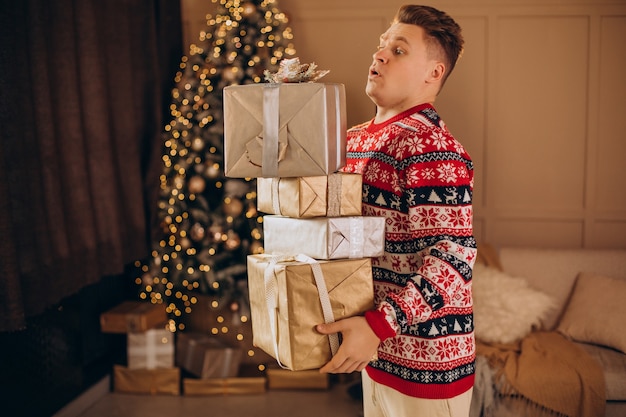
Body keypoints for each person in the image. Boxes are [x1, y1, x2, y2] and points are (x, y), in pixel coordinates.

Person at [316, 5, 476, 417]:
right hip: (378, 357)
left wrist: (378, 327)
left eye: (399, 50)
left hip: (427, 367)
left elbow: (454, 261)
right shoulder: (353, 139)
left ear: (433, 73)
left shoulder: (430, 146)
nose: (380, 55)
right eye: (381, 46)